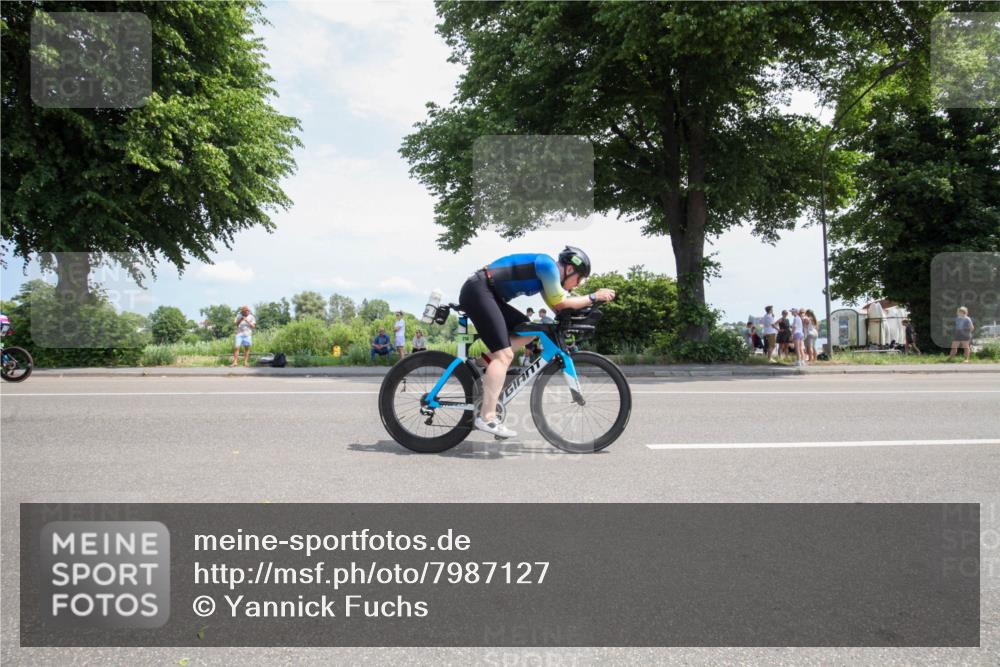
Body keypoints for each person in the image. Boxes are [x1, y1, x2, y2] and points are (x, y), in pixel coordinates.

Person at [458, 246, 615, 438]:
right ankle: (487, 417)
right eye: (579, 279)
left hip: (487, 293)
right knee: (505, 355)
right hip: (479, 290)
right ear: (571, 269)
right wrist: (593, 296)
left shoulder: (547, 279)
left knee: (531, 330)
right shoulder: (547, 265)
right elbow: (560, 304)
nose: (577, 285)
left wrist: (590, 305)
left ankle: (482, 363)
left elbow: (559, 308)